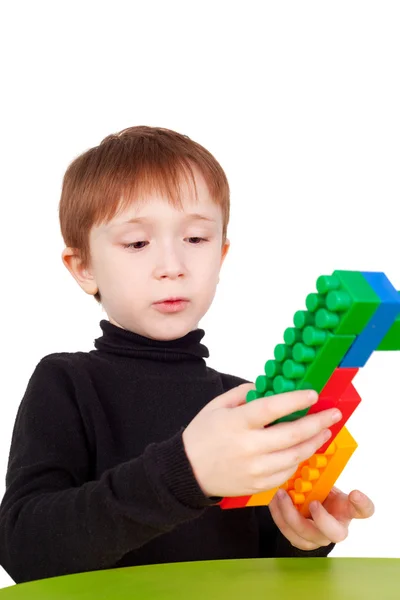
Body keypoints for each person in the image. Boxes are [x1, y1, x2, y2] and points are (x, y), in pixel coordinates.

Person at [0, 126, 374, 584]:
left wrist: (302, 537)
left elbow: (261, 563)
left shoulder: (242, 400)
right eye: (137, 243)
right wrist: (188, 471)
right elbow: (24, 549)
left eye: (196, 239)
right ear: (84, 267)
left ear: (221, 253)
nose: (173, 266)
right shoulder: (65, 384)